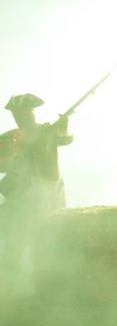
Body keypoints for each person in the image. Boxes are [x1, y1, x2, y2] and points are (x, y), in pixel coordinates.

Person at [0, 93, 72, 296]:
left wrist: (63, 125)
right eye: (15, 113)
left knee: (44, 249)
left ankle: (46, 295)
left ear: (31, 112)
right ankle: (6, 296)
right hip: (19, 201)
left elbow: (66, 138)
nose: (18, 116)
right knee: (12, 249)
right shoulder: (11, 136)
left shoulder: (48, 131)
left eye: (22, 112)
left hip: (44, 199)